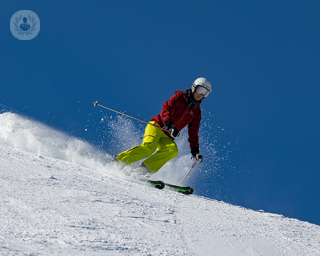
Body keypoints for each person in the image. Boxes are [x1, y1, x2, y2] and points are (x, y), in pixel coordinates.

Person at [113, 77, 212, 177]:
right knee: (149, 148)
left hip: (167, 136)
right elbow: (166, 107)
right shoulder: (180, 97)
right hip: (157, 126)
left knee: (172, 151)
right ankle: (118, 162)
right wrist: (169, 124)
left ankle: (143, 170)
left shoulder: (196, 113)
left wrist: (195, 151)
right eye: (200, 90)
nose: (201, 94)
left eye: (206, 93)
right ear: (194, 87)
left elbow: (193, 133)